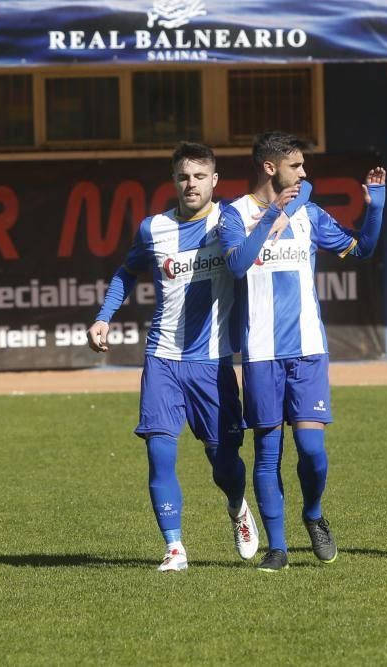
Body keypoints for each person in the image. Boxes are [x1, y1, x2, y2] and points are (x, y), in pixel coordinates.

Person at [87, 142, 260, 572]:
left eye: (200, 176)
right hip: (162, 357)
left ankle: (238, 506)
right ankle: (175, 548)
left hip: (214, 363)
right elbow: (127, 271)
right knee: (160, 453)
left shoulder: (230, 222)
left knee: (224, 464)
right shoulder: (153, 229)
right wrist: (104, 317)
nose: (191, 184)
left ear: (215, 181)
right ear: (174, 180)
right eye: (184, 176)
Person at [219, 130, 386, 572]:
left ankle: (313, 513)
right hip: (260, 353)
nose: (304, 173)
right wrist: (272, 215)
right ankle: (277, 548)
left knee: (312, 450)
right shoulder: (233, 215)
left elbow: (362, 248)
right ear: (270, 168)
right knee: (267, 453)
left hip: (308, 350)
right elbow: (238, 264)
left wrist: (377, 205)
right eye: (296, 166)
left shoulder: (308, 212)